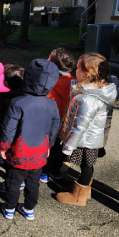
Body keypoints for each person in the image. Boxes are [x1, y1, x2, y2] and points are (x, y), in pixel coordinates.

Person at [55, 52, 119, 206]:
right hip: (91, 138)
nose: (75, 71)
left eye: (78, 68)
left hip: (85, 140)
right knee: (87, 165)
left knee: (86, 166)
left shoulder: (88, 98)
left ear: (87, 74)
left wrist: (68, 146)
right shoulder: (97, 90)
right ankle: (84, 190)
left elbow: (80, 126)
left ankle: (78, 196)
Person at [0, 59, 60, 220]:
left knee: (13, 182)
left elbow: (8, 128)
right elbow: (54, 128)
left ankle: (9, 209)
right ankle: (29, 209)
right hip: (39, 151)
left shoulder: (18, 103)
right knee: (33, 182)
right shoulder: (52, 104)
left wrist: (3, 146)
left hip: (18, 152)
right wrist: (49, 146)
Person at [40, 48, 76, 183]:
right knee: (59, 148)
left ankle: (44, 172)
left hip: (49, 124)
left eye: (49, 58)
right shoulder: (75, 84)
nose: (47, 59)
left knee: (47, 147)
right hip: (65, 124)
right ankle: (56, 171)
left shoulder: (49, 82)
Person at [0, 64, 25, 192]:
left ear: (6, 83)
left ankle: (12, 184)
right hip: (24, 138)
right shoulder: (28, 99)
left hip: (6, 139)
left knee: (9, 163)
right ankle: (21, 180)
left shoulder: (3, 101)